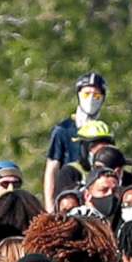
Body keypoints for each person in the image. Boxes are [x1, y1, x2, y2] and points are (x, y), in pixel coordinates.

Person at [43, 72, 112, 207]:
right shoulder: (63, 130)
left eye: (97, 95)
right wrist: (49, 205)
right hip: (68, 195)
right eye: (87, 94)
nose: (91, 99)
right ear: (79, 95)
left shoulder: (104, 131)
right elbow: (52, 169)